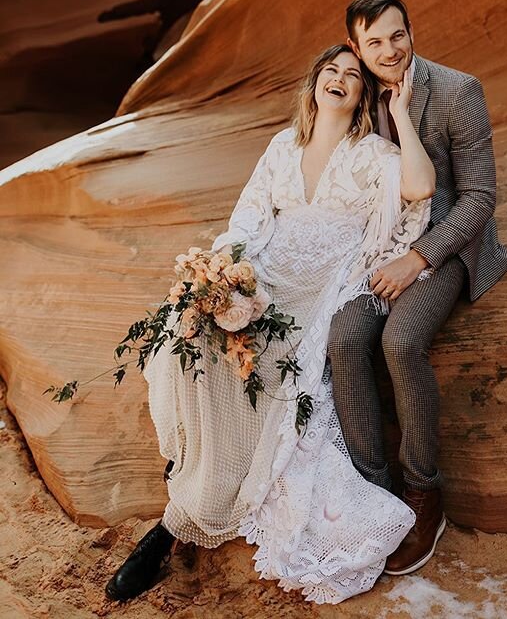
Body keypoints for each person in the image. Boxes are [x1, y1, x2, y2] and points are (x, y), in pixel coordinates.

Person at [105, 44, 436, 605]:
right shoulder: (283, 146)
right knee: (181, 344)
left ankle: (168, 531)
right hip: (266, 280)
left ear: (360, 98)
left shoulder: (375, 153)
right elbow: (249, 216)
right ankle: (187, 480)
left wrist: (400, 114)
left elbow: (421, 188)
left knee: (270, 385)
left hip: (317, 295)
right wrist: (225, 274)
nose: (339, 79)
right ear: (313, 85)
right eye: (330, 71)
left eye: (352, 76)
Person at [328, 0, 507, 576]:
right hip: (377, 246)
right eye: (375, 42)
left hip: (448, 243)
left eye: (398, 35)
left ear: (411, 30)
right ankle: (370, 490)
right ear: (356, 48)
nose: (391, 50)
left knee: (401, 340)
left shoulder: (459, 91)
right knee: (343, 334)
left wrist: (419, 258)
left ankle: (423, 492)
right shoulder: (357, 95)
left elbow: (481, 198)